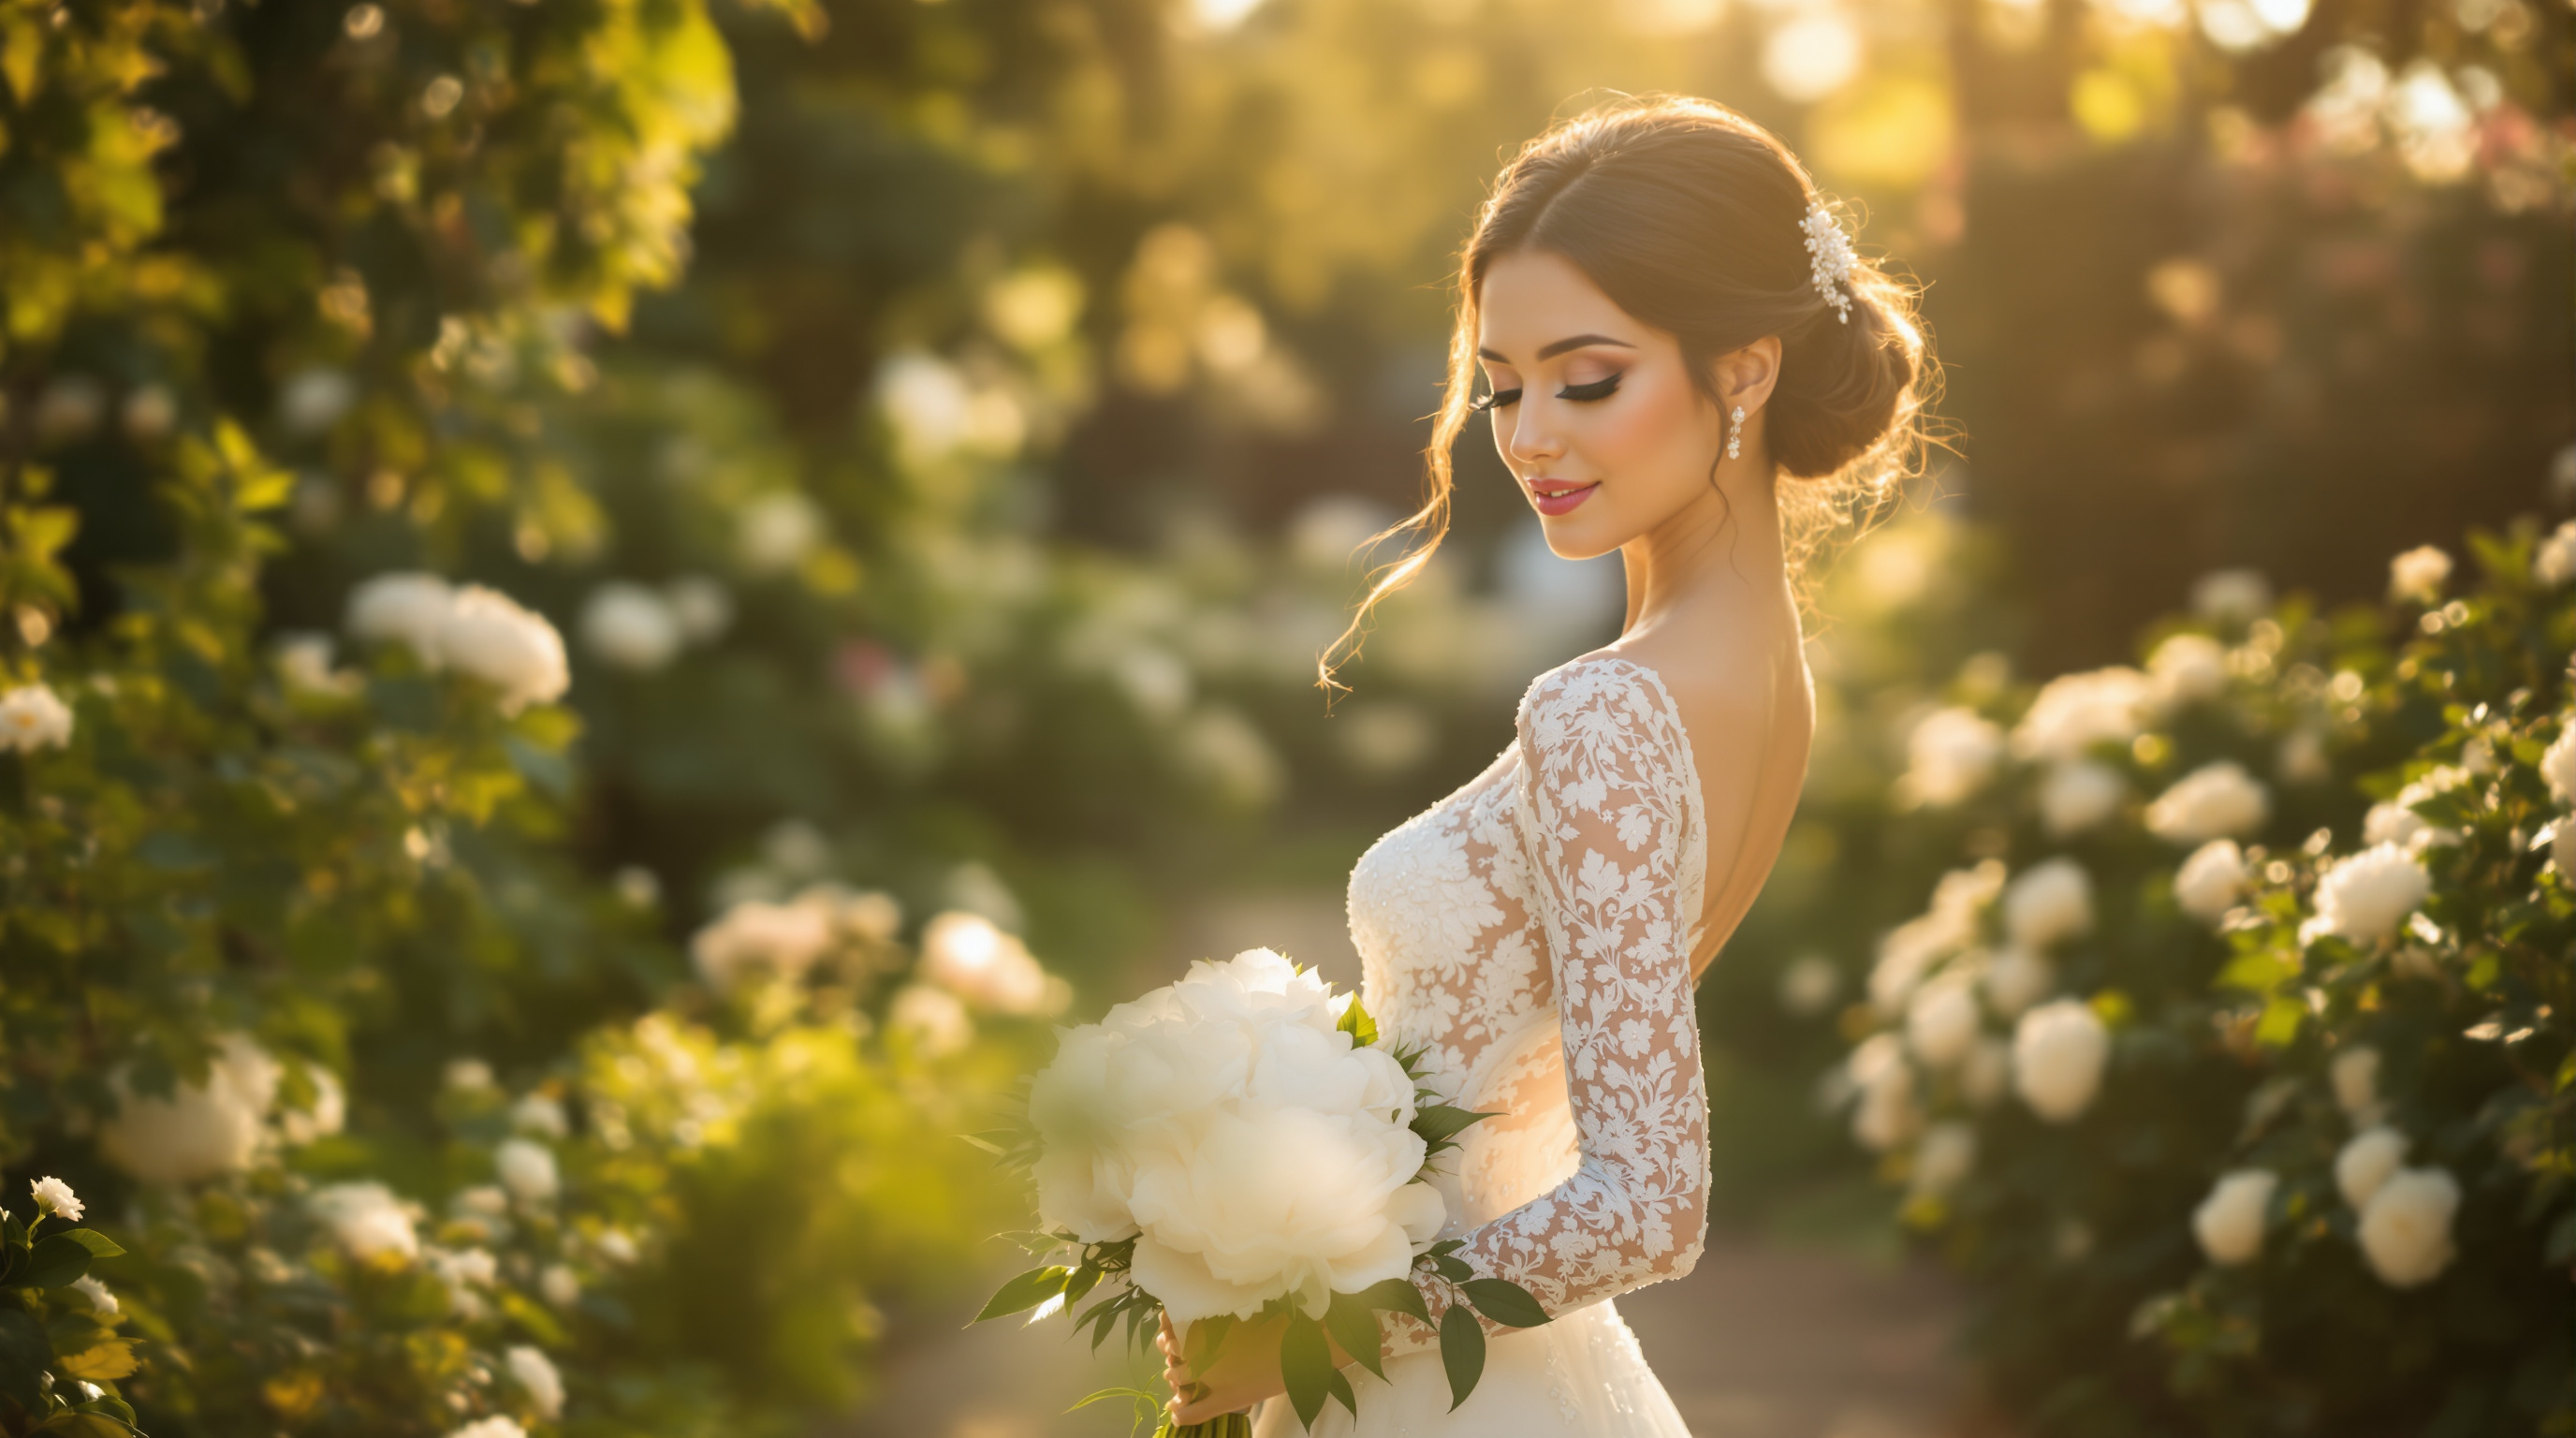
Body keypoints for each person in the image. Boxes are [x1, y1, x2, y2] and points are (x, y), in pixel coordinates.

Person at [1160, 94, 1931, 1435]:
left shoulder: (1606, 712)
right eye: (1505, 387)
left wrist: (1318, 1330)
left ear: (1743, 370)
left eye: (1587, 381)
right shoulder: (1766, 675)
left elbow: (1647, 1199)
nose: (1527, 439)